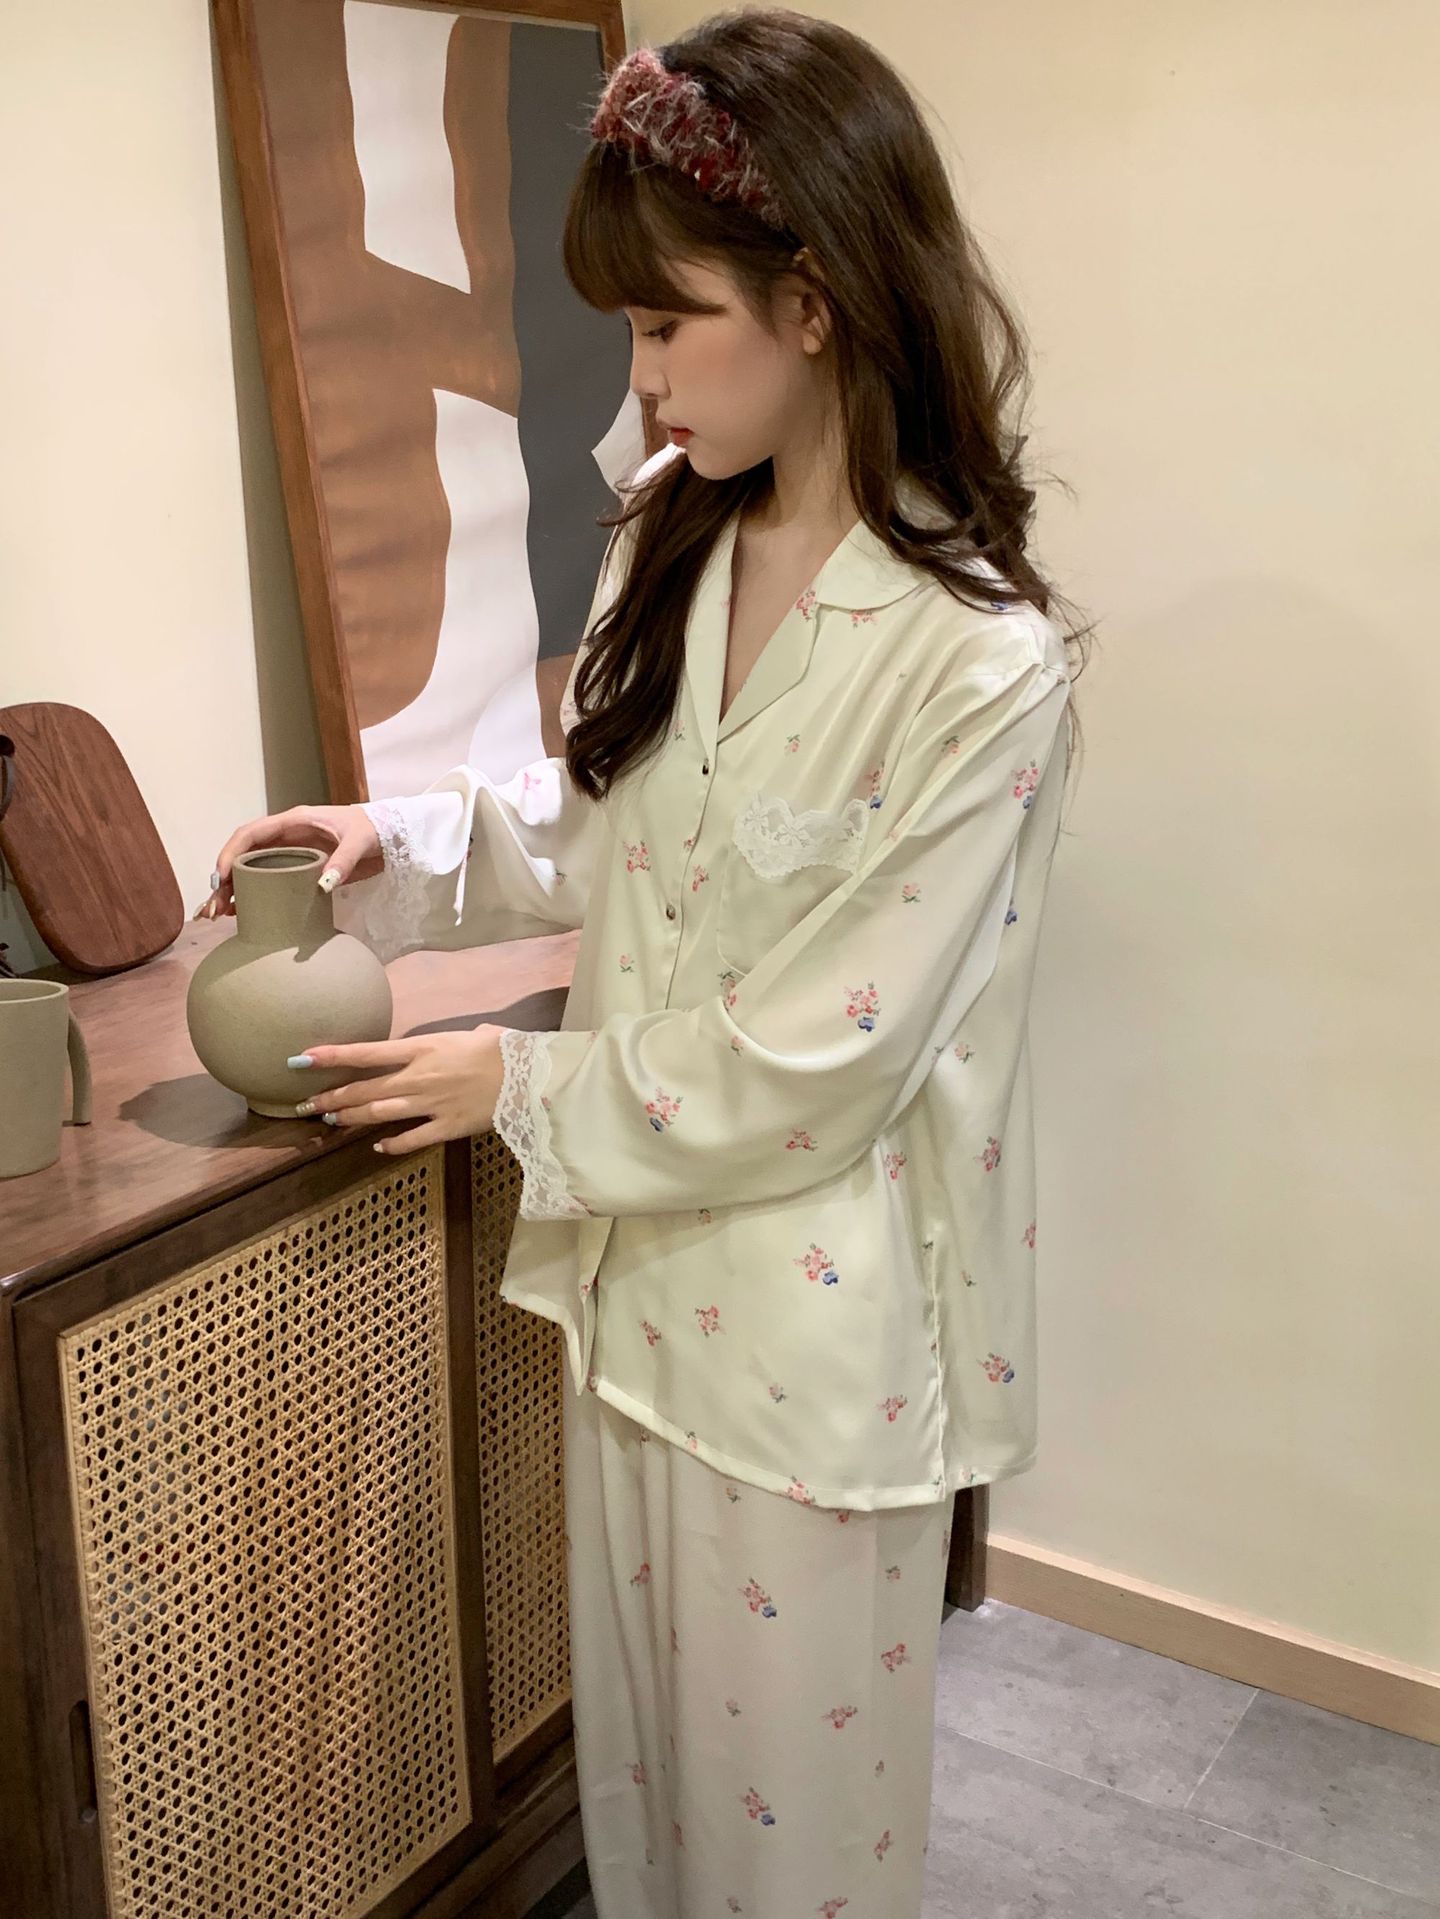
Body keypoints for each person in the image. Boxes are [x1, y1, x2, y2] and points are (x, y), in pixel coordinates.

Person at [197, 10, 1093, 1913]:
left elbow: (831, 1048)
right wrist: (395, 844)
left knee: (796, 1860)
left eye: (672, 323)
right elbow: (611, 823)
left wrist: (513, 1084)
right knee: (653, 1825)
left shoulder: (978, 665)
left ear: (819, 302)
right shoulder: (667, 547)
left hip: (810, 1348)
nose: (644, 375)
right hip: (629, 1303)